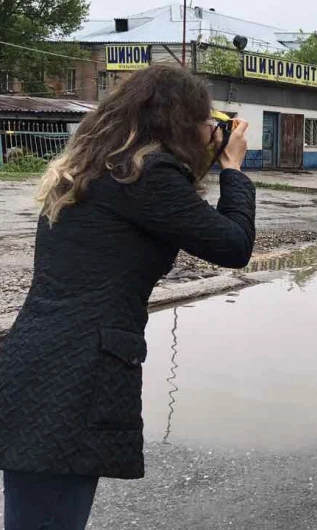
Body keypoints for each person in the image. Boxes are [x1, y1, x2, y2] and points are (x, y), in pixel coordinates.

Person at [0, 65, 255, 529]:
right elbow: (234, 245)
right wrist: (233, 169)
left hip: (37, 366)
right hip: (73, 381)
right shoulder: (148, 177)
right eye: (206, 119)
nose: (211, 130)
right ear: (181, 123)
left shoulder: (97, 171)